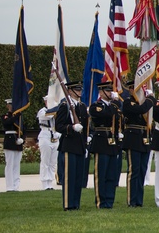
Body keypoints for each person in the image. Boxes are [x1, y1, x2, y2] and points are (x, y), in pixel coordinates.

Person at [54, 81, 89, 210]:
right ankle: (68, 204)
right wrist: (71, 127)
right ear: (70, 91)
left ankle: (76, 204)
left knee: (78, 177)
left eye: (80, 89)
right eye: (77, 90)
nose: (79, 92)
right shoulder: (65, 106)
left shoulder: (82, 106)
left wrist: (85, 143)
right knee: (69, 177)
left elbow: (85, 128)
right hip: (69, 145)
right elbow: (58, 126)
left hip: (80, 145)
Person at [88, 82, 122, 208]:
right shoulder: (96, 106)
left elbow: (118, 117)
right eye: (107, 91)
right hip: (101, 141)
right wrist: (115, 102)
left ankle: (109, 200)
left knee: (111, 175)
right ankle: (100, 201)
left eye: (110, 90)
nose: (109, 93)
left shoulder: (113, 105)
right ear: (101, 92)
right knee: (101, 174)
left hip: (112, 142)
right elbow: (107, 114)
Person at [121, 82, 155, 208]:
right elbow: (140, 110)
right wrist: (151, 99)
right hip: (133, 139)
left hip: (144, 138)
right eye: (135, 88)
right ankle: (131, 200)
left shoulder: (145, 101)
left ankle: (139, 200)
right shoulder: (128, 102)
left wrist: (150, 99)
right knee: (133, 170)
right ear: (130, 90)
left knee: (142, 170)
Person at [1, 99, 25, 192]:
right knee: (10, 164)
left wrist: (22, 139)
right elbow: (7, 123)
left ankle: (16, 185)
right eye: (10, 105)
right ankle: (9, 186)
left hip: (17, 141)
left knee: (16, 165)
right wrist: (16, 116)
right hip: (10, 140)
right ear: (7, 106)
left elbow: (24, 129)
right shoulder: (5, 116)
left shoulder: (19, 118)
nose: (12, 106)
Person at [36, 95, 59, 190]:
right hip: (45, 135)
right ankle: (45, 183)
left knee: (53, 162)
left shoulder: (56, 111)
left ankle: (50, 182)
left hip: (55, 135)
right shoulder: (42, 111)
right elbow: (48, 116)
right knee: (45, 161)